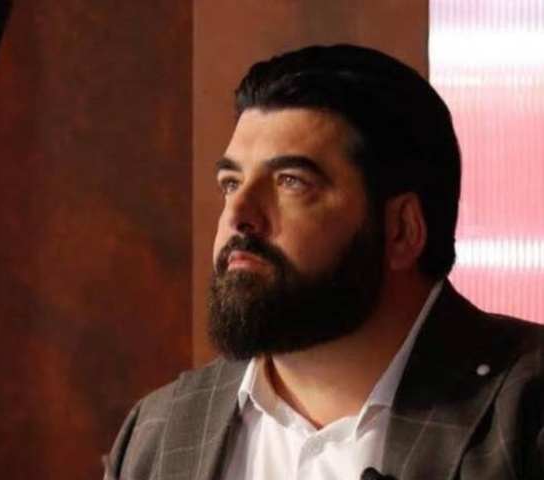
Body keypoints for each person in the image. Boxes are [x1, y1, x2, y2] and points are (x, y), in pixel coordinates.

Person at [103, 44, 544, 480]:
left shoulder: (526, 410)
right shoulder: (159, 430)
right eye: (231, 183)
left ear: (402, 230)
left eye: (291, 182)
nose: (238, 214)